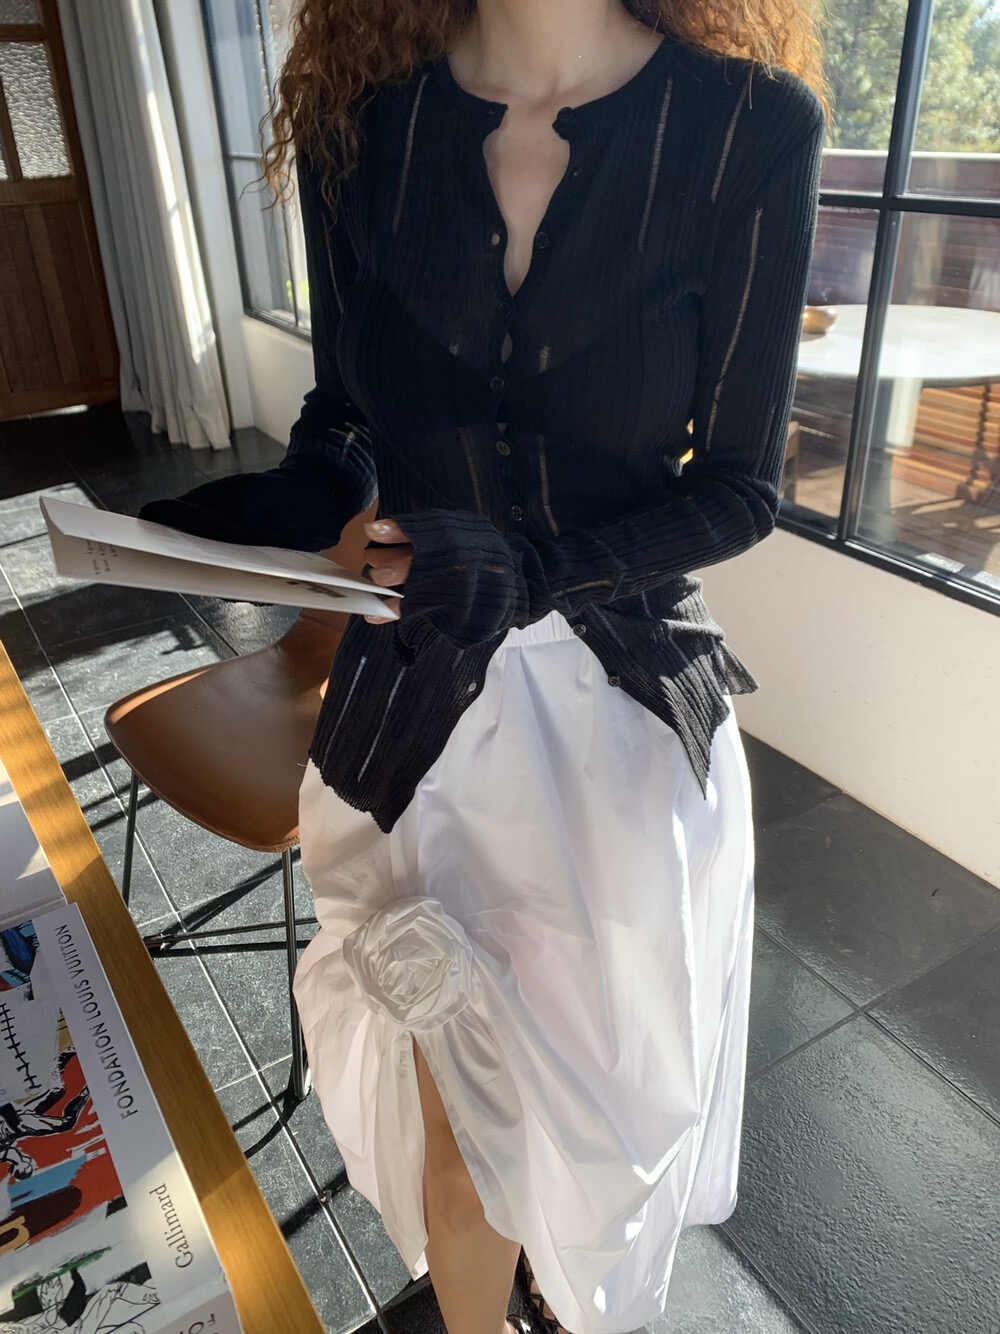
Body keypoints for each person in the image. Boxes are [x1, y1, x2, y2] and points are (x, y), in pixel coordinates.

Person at [141, 2, 829, 1330]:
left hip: (621, 728)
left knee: (576, 1145)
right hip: (415, 722)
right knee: (461, 1153)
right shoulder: (358, 125)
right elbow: (345, 412)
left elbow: (742, 488)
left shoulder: (749, 128)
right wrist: (287, 501)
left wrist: (529, 570)